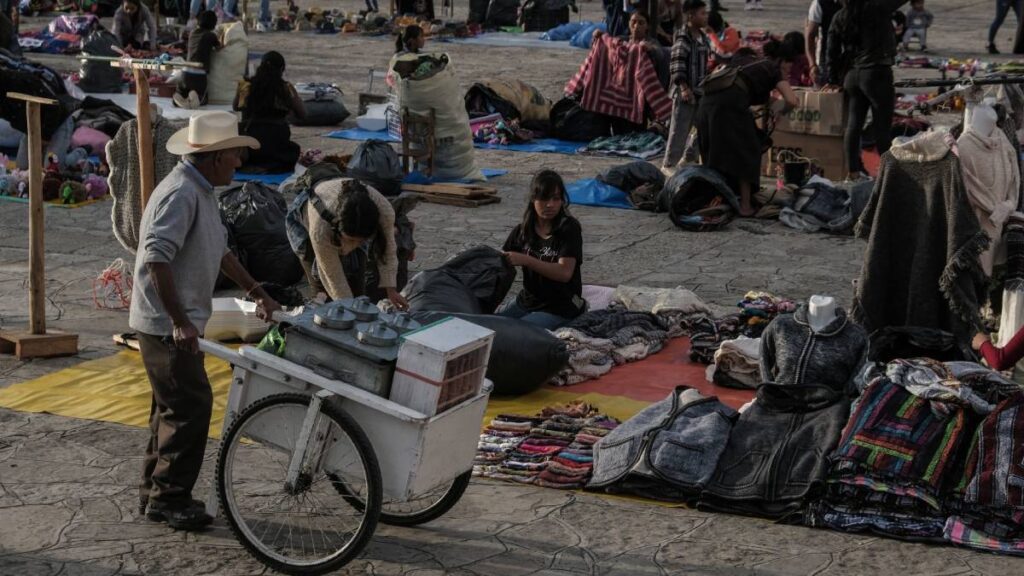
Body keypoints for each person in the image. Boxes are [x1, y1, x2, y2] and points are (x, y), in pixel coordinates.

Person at [130, 110, 281, 530]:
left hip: (176, 319)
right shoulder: (180, 193)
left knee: (170, 408)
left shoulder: (202, 192)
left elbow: (222, 253)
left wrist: (257, 292)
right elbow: (156, 259)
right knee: (190, 408)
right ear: (213, 157)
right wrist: (179, 322)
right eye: (234, 155)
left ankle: (155, 491)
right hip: (164, 324)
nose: (238, 163)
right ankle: (169, 498)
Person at [695, 41, 799, 216]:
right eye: (787, 68)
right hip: (729, 105)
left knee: (715, 152)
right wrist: (782, 111)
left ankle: (714, 198)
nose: (787, 73)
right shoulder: (771, 68)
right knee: (749, 150)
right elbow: (791, 100)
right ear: (780, 61)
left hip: (705, 105)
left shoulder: (742, 61)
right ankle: (745, 206)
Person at [294, 176, 409, 309]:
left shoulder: (384, 211)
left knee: (358, 289)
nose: (351, 247)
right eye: (350, 240)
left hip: (349, 209)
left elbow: (388, 250)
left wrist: (391, 291)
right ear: (338, 227)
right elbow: (332, 274)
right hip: (308, 211)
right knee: (323, 296)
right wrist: (349, 308)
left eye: (359, 241)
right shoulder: (320, 229)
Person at [825, 0, 909, 181]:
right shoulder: (877, 7)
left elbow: (830, 50)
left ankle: (853, 172)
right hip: (876, 73)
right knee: (882, 128)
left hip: (851, 75)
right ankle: (888, 174)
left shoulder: (839, 16)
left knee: (853, 124)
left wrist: (832, 79)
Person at [500, 170, 585, 329]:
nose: (550, 205)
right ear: (533, 199)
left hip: (560, 307)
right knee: (491, 326)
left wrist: (526, 260)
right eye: (544, 198)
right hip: (528, 301)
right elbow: (500, 261)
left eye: (556, 198)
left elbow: (564, 273)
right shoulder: (523, 230)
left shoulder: (569, 229)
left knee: (518, 333)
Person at [233, 51, 305, 173]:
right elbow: (302, 114)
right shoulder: (285, 88)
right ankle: (268, 166)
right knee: (292, 151)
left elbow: (236, 107)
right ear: (281, 69)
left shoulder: (246, 86)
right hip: (276, 143)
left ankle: (252, 164)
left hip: (250, 143)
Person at [663, 0, 709, 172]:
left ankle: (689, 158)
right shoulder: (683, 37)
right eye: (702, 13)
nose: (705, 17)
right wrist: (684, 87)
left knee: (702, 127)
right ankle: (669, 164)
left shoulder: (703, 37)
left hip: (700, 91)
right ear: (690, 16)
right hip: (685, 93)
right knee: (679, 130)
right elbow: (676, 64)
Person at [174, 10, 219, 110]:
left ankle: (180, 98)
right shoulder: (211, 35)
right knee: (204, 99)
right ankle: (196, 98)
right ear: (213, 24)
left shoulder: (192, 33)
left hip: (185, 72)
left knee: (183, 90)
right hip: (199, 74)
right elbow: (219, 48)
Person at [805, 0, 840, 87]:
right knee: (824, 95)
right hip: (824, 60)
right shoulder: (820, 3)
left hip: (851, 60)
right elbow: (810, 35)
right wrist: (812, 64)